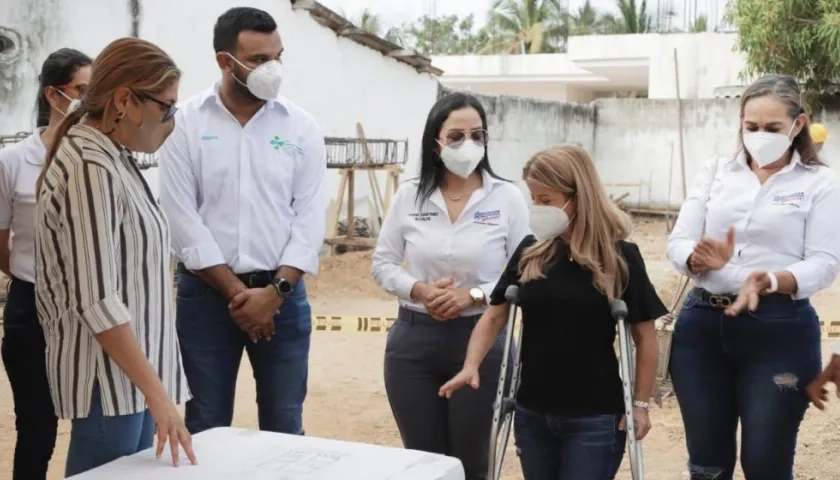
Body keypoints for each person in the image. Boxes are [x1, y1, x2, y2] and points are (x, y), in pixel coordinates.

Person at [438, 144, 663, 480]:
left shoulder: (619, 258)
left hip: (596, 416)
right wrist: (471, 365)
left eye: (547, 200)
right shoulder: (531, 252)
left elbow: (645, 337)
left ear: (578, 196)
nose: (538, 208)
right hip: (532, 412)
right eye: (534, 198)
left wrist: (640, 405)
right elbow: (495, 315)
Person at [158, 6, 326, 436]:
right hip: (206, 297)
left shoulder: (301, 127)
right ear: (224, 61)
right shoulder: (184, 124)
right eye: (257, 60)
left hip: (284, 298)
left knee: (285, 422)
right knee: (207, 424)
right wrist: (238, 295)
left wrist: (276, 292)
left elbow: (308, 218)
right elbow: (182, 217)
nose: (271, 69)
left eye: (277, 57)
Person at [33, 37, 195, 476]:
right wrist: (158, 396)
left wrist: (154, 389)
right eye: (167, 107)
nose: (172, 121)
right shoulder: (90, 164)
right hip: (111, 380)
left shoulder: (112, 156)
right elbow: (97, 299)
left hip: (134, 380)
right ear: (125, 100)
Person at [667, 74, 840, 480]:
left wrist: (769, 280)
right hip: (702, 329)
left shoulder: (820, 182)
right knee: (707, 465)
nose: (760, 135)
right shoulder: (715, 172)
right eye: (751, 127)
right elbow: (679, 241)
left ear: (798, 125)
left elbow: (824, 262)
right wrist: (696, 259)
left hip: (779, 331)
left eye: (772, 128)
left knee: (766, 464)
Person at [371, 92, 530, 480]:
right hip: (414, 343)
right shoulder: (409, 195)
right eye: (456, 136)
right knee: (425, 463)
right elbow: (383, 263)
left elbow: (525, 268)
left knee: (471, 460)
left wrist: (473, 295)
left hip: (482, 340)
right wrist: (420, 291)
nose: (468, 144)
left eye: (477, 135)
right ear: (435, 142)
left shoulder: (506, 197)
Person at [0, 47, 91, 480]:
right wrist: (29, 273)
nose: (91, 100)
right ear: (55, 95)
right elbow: (0, 240)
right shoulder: (13, 161)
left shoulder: (100, 157)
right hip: (30, 305)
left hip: (90, 305)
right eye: (82, 90)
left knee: (97, 419)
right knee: (36, 427)